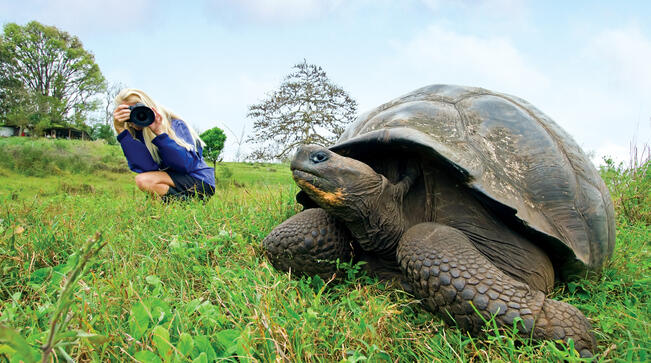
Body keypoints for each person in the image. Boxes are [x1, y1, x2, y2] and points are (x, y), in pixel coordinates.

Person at [113, 88, 215, 201]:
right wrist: (121, 131)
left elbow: (185, 165)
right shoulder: (135, 135)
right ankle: (186, 208)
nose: (136, 115)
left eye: (138, 109)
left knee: (144, 180)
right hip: (174, 181)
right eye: (129, 111)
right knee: (149, 187)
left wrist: (160, 133)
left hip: (199, 180)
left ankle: (186, 206)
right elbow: (146, 168)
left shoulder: (175, 124)